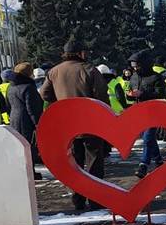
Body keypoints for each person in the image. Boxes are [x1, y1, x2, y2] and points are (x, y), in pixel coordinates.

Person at [40, 39, 109, 210]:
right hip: (90, 123)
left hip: (68, 124)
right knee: (94, 161)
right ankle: (95, 199)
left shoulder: (54, 71)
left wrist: (61, 101)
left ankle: (78, 198)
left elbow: (45, 94)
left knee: (75, 163)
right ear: (80, 53)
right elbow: (101, 95)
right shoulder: (89, 69)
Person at [127, 49, 166, 178]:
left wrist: (143, 94)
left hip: (154, 112)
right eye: (133, 66)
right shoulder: (133, 77)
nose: (135, 68)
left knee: (148, 138)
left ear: (144, 64)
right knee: (149, 138)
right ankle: (159, 160)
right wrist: (130, 95)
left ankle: (143, 164)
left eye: (137, 65)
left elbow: (162, 94)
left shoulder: (156, 77)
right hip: (139, 112)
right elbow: (130, 91)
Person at [7, 62, 44, 177]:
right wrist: (38, 124)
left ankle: (22, 170)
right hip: (26, 120)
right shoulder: (28, 87)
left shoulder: (11, 86)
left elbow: (8, 104)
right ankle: (29, 172)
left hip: (14, 118)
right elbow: (32, 108)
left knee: (19, 146)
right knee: (28, 147)